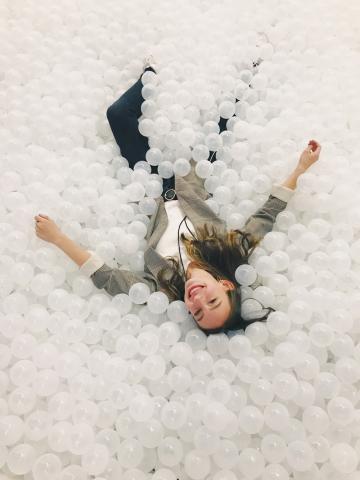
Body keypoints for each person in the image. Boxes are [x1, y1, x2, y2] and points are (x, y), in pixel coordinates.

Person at [34, 57, 322, 335]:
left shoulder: (162, 288)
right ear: (226, 286)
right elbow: (266, 216)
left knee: (118, 115)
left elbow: (108, 279)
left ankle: (153, 69)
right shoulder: (231, 252)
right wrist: (301, 168)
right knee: (224, 115)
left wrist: (57, 237)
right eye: (212, 302)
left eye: (196, 312)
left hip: (150, 185)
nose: (197, 301)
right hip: (193, 176)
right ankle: (253, 60)